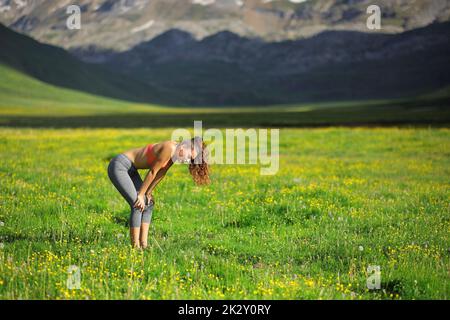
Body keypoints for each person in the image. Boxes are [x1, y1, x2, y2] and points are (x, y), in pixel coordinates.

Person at [107, 136, 209, 248]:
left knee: (148, 204)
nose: (187, 160)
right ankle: (135, 248)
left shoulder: (175, 155)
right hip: (119, 165)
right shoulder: (169, 148)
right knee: (137, 204)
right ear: (184, 146)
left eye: (190, 160)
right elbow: (153, 171)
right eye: (189, 156)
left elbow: (162, 173)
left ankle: (144, 245)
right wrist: (141, 195)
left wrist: (148, 193)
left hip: (132, 170)